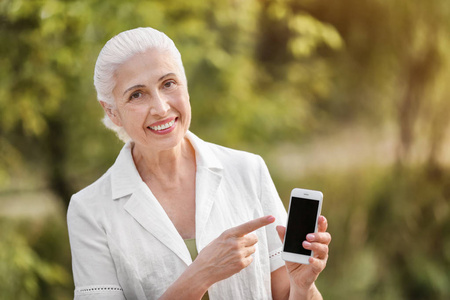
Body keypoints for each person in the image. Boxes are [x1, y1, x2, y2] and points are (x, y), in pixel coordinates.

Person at [67, 27, 331, 300]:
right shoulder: (90, 211)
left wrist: (303, 286)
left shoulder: (248, 170)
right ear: (112, 112)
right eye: (137, 94)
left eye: (168, 84)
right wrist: (201, 273)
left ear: (185, 85)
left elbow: (285, 293)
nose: (161, 108)